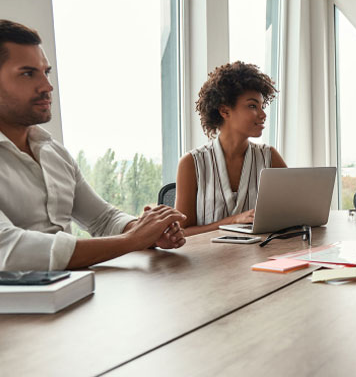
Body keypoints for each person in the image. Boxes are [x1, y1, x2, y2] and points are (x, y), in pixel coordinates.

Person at [0, 20, 186, 271]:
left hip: (72, 294)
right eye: (27, 73)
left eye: (46, 72)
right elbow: (10, 250)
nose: (47, 86)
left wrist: (145, 230)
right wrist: (132, 239)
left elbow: (102, 218)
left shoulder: (54, 153)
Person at [175, 61, 287, 236]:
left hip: (258, 257)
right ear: (225, 111)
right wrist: (233, 221)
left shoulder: (270, 157)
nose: (263, 114)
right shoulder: (191, 163)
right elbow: (182, 232)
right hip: (209, 261)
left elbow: (293, 215)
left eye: (262, 106)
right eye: (252, 106)